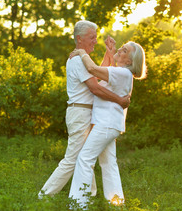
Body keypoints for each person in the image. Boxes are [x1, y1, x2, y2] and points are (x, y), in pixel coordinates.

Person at [38, 20, 130, 198]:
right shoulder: (78, 60)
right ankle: (44, 196)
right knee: (73, 159)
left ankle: (87, 196)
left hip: (88, 113)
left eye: (96, 37)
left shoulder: (84, 59)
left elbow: (100, 72)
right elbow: (95, 88)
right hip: (80, 113)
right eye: (91, 37)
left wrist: (109, 53)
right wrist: (119, 100)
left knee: (86, 158)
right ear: (79, 39)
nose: (95, 40)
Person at [68, 38, 147, 208]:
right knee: (108, 164)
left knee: (84, 159)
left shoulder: (123, 73)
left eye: (125, 51)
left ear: (130, 61)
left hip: (106, 124)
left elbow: (92, 69)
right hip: (110, 125)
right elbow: (104, 72)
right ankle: (116, 205)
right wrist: (110, 52)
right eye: (122, 47)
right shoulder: (120, 73)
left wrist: (81, 52)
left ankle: (77, 205)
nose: (121, 49)